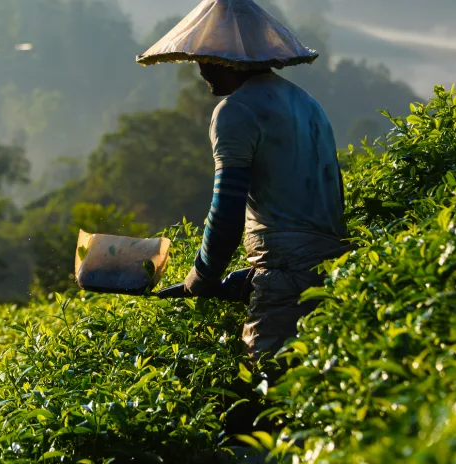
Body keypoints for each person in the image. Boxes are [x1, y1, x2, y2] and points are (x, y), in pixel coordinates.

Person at [137, 0, 352, 359]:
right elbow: (309, 217)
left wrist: (202, 278)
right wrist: (244, 279)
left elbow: (227, 212)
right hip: (335, 273)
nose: (201, 69)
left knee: (268, 389)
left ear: (231, 59)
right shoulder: (308, 104)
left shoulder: (235, 111)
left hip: (286, 283)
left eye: (208, 57)